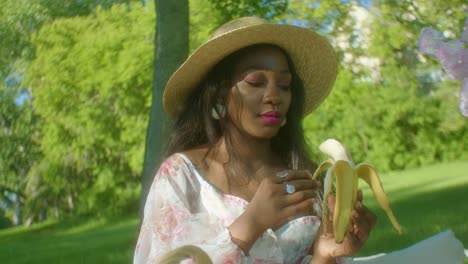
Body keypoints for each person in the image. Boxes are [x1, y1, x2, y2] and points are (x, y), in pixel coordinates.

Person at [134, 17, 465, 264]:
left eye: (284, 85)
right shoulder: (181, 175)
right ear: (219, 95)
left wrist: (325, 252)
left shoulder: (305, 176)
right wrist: (249, 226)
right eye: (255, 82)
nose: (274, 96)